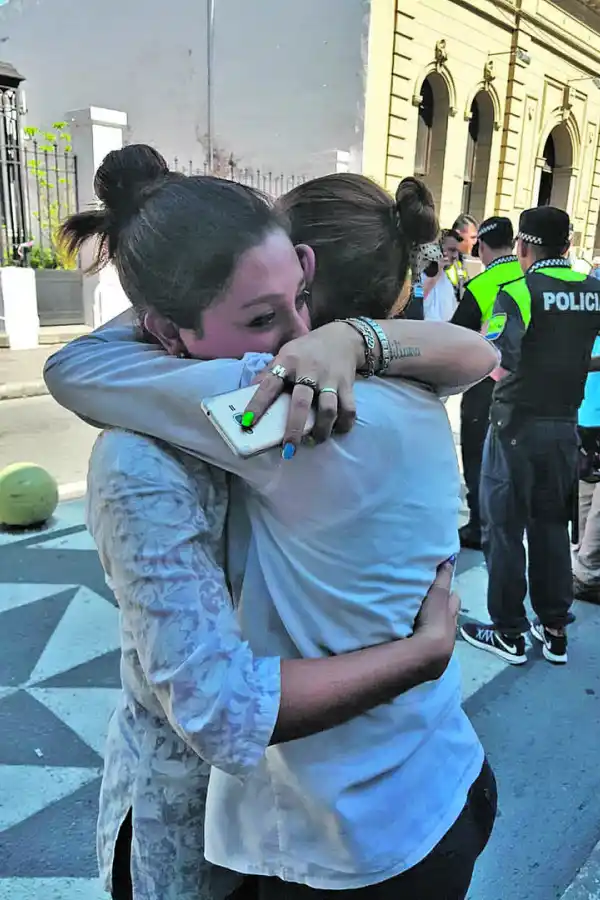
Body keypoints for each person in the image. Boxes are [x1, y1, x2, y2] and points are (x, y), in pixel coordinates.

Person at [46, 150, 498, 900]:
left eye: (297, 303)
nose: (290, 336)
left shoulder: (275, 405)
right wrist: (353, 336)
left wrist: (188, 255)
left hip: (343, 843)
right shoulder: (407, 392)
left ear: (313, 281)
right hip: (436, 786)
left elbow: (75, 367)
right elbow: (477, 354)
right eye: (263, 312)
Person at [460, 206, 600, 667]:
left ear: (523, 246)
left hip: (515, 426)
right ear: (566, 245)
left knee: (504, 529)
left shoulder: (518, 290)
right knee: (550, 528)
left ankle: (509, 633)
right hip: (564, 427)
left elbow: (498, 363)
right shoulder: (594, 292)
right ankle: (555, 629)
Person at [451, 217, 523, 549]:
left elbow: (456, 337)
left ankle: (480, 524)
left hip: (486, 383)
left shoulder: (482, 285)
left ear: (481, 247)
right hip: (527, 382)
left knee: (479, 453)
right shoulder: (529, 278)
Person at [572, 336, 600, 604]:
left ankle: (582, 563)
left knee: (588, 486)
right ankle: (588, 573)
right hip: (590, 410)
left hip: (585, 410)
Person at [447, 213, 478, 299]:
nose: (474, 242)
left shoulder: (460, 260)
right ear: (458, 234)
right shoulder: (443, 259)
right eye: (472, 237)